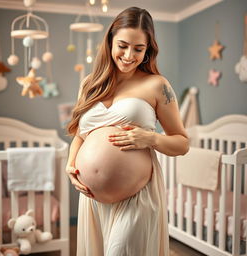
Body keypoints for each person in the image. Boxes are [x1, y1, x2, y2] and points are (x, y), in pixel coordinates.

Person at [66, 6, 189, 256]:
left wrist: (150, 138)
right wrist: (71, 167)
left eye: (138, 48)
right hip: (92, 200)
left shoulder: (157, 85)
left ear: (148, 50)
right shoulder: (89, 84)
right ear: (110, 40)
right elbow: (80, 135)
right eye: (122, 45)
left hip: (137, 196)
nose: (129, 55)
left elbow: (182, 143)